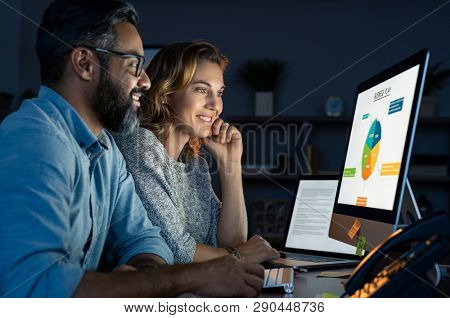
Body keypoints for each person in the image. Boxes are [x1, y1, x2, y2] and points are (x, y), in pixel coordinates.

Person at [0, 0, 263, 297]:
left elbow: (142, 239)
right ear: (84, 64)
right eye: (133, 64)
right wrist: (183, 278)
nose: (146, 81)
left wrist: (144, 271)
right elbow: (32, 289)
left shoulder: (106, 152)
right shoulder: (34, 140)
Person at [114, 41, 280, 264]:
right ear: (165, 93)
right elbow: (177, 250)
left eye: (219, 92)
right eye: (202, 90)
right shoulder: (140, 145)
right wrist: (241, 256)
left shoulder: (194, 163)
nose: (215, 105)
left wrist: (230, 165)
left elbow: (230, 242)